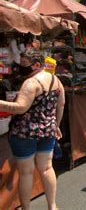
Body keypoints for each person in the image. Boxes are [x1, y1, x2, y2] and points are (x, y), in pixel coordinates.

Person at [0, 51, 65, 210]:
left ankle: (26, 209)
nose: (21, 67)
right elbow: (61, 104)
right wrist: (56, 125)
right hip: (47, 130)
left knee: (26, 173)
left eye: (24, 64)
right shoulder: (55, 80)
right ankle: (52, 205)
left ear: (36, 64)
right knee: (47, 168)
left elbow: (20, 108)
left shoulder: (31, 83)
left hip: (25, 133)